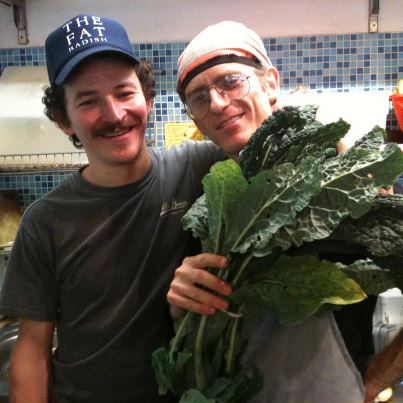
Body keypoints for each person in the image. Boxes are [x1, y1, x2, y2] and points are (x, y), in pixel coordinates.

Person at [0, 14, 223, 403]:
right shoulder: (45, 221)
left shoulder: (197, 169)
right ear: (63, 119)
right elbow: (32, 352)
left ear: (147, 99)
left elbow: (268, 141)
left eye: (124, 93)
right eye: (88, 101)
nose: (115, 115)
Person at [168, 21, 382, 403]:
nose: (217, 103)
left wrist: (379, 377)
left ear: (270, 83)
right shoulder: (210, 199)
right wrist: (181, 305)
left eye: (231, 81)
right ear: (195, 118)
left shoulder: (342, 180)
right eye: (199, 97)